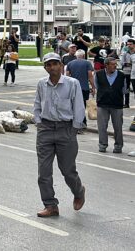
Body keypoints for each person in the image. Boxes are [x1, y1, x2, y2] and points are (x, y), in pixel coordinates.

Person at [33, 52, 86, 218]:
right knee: (44, 172)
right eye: (48, 64)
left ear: (61, 66)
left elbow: (79, 106)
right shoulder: (42, 84)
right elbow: (37, 104)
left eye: (55, 63)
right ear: (45, 68)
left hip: (66, 130)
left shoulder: (72, 83)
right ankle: (50, 205)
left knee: (68, 170)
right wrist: (38, 121)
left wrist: (74, 128)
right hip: (46, 130)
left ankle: (79, 191)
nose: (52, 67)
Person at [94, 57, 126, 153]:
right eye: (112, 64)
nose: (115, 66)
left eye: (115, 64)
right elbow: (97, 86)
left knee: (118, 127)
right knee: (102, 126)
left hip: (117, 104)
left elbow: (124, 90)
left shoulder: (121, 75)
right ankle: (102, 145)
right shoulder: (98, 74)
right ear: (106, 65)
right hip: (102, 104)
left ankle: (118, 146)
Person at [121, 39, 134, 108]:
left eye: (130, 44)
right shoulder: (125, 53)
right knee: (126, 88)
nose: (128, 46)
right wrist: (129, 64)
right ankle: (126, 103)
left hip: (134, 73)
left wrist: (128, 64)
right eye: (128, 44)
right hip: (126, 72)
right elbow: (122, 63)